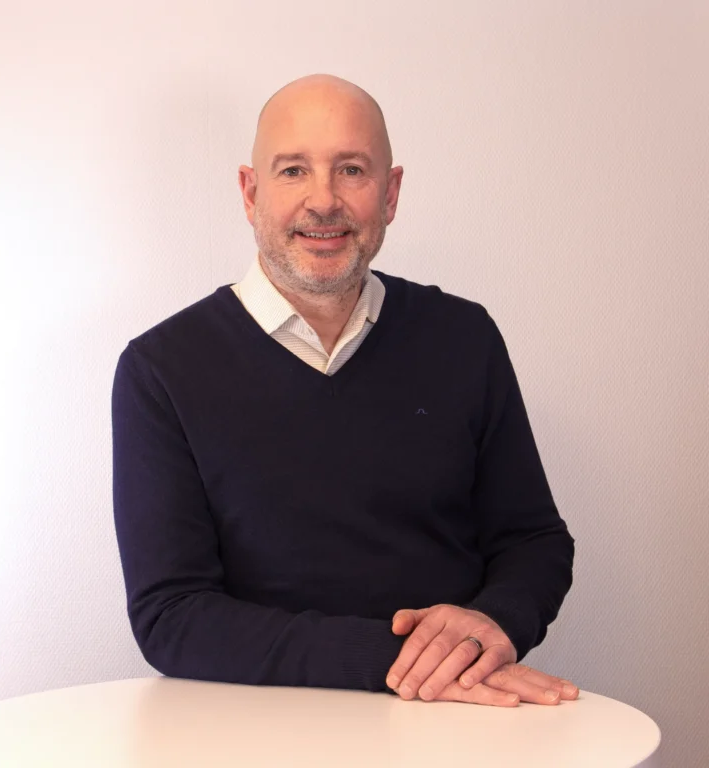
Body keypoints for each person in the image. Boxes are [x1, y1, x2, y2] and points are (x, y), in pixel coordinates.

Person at [112, 74, 578, 707]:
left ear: (391, 193)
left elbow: (532, 541)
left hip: (456, 720)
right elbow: (172, 616)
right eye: (293, 171)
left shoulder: (464, 337)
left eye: (352, 170)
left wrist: (491, 627)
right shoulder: (161, 369)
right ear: (251, 192)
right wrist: (406, 662)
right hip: (255, 727)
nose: (324, 201)